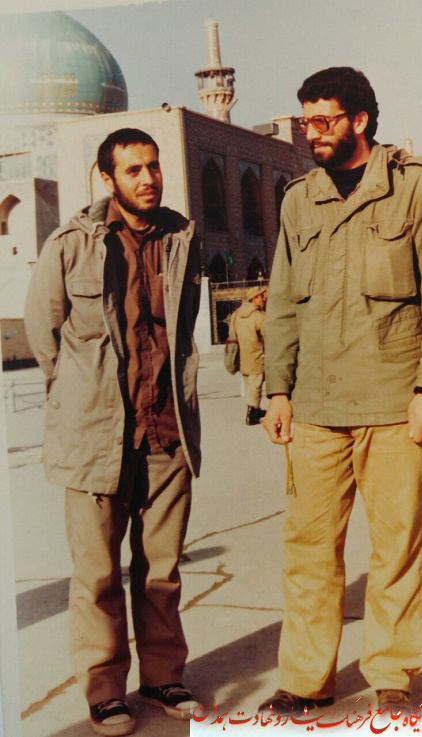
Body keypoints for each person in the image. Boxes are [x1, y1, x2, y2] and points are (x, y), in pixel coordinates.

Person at [260, 67, 422, 715]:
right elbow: (283, 303)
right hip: (316, 408)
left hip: (393, 403)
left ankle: (391, 673)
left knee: (396, 547)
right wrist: (277, 390)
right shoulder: (299, 198)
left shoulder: (417, 185)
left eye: (323, 120)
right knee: (308, 550)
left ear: (359, 120)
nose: (311, 133)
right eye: (305, 121)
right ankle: (305, 679)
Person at [25, 128, 202, 736]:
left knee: (161, 571)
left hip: (166, 433)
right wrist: (85, 398)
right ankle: (105, 690)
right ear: (107, 178)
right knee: (97, 575)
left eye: (154, 166)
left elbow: (182, 332)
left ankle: (163, 677)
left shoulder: (182, 239)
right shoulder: (71, 245)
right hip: (96, 439)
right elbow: (45, 336)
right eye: (133, 170)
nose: (148, 179)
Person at [232, 285, 267, 425]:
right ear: (254, 298)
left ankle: (256, 409)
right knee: (256, 384)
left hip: (242, 356)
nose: (264, 299)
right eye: (261, 296)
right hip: (257, 355)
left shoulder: (237, 314)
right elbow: (267, 335)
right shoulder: (258, 316)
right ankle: (251, 414)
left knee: (249, 384)